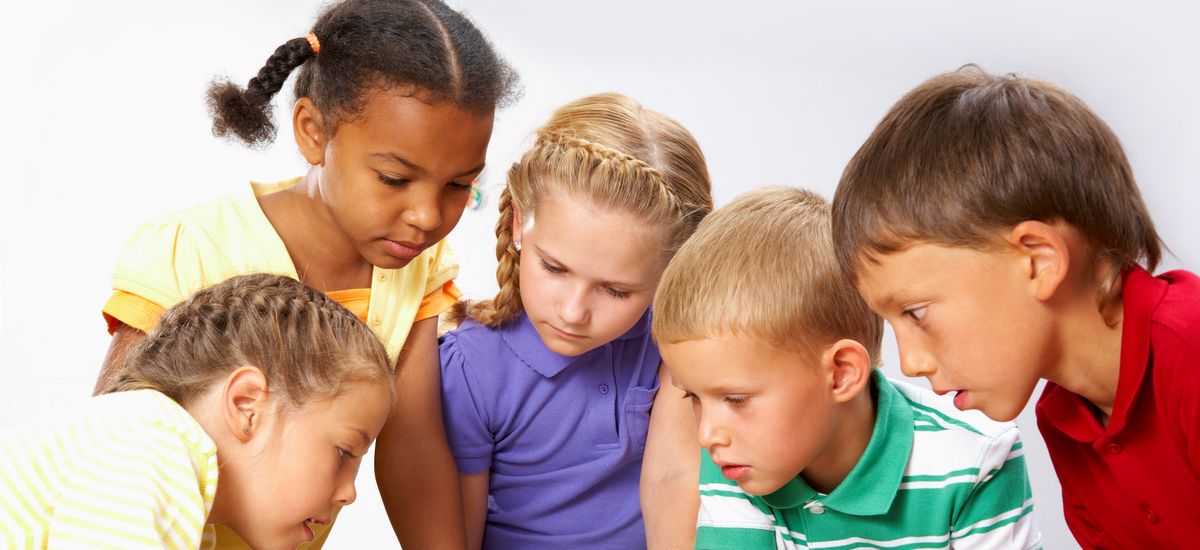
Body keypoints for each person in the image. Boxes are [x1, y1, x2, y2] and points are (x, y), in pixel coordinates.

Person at [92, 1, 518, 546]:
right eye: (393, 178)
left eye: (460, 186)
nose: (428, 216)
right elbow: (110, 448)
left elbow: (413, 449)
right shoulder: (194, 250)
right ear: (313, 131)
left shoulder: (417, 268)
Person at [831, 65, 1200, 548]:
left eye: (916, 313)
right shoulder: (1065, 420)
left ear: (1038, 261)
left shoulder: (1189, 351)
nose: (911, 363)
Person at [652, 187, 1041, 549]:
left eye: (736, 399)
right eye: (694, 397)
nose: (706, 436)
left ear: (841, 373)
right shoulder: (738, 461)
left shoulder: (976, 456)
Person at [438, 92, 713, 549]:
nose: (573, 312)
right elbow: (456, 537)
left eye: (616, 290)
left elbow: (675, 480)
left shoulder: (675, 344)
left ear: (673, 270)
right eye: (554, 268)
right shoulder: (469, 366)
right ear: (519, 225)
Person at [2, 274, 392, 549]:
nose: (349, 494)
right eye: (344, 452)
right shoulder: (149, 450)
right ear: (247, 406)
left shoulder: (177, 484)